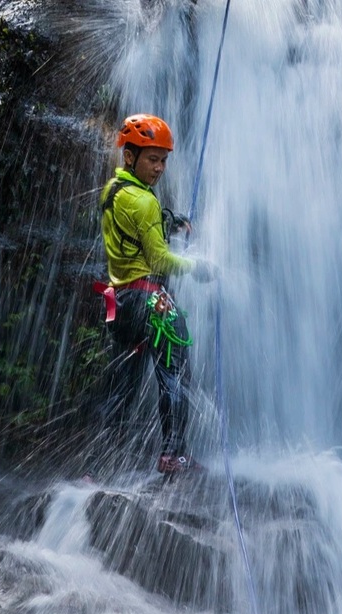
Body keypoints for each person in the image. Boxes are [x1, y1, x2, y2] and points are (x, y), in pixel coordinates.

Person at [97, 113, 214, 475]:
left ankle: (98, 465)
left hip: (118, 303)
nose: (161, 167)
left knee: (123, 384)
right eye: (153, 158)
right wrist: (200, 269)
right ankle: (173, 454)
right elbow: (159, 257)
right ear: (129, 156)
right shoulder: (144, 201)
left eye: (164, 159)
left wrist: (170, 221)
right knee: (175, 375)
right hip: (151, 301)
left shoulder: (113, 191)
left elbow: (136, 225)